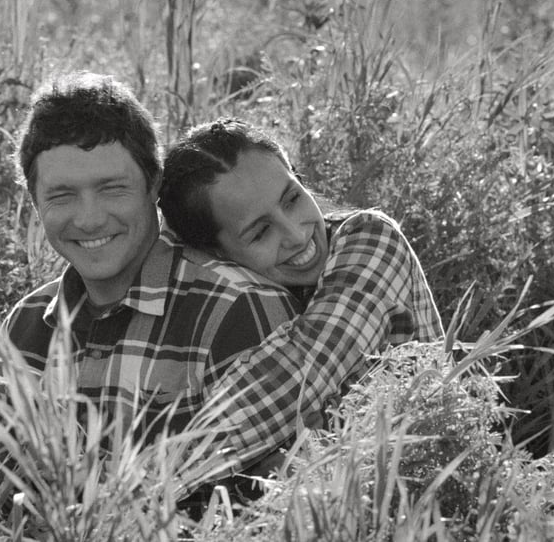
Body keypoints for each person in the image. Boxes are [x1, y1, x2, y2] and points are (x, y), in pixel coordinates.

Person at [0, 74, 300, 450]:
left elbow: (270, 492)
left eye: (112, 188)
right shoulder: (26, 325)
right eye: (62, 196)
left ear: (154, 183)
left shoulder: (236, 310)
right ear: (34, 202)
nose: (89, 219)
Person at [158, 117, 445, 479]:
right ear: (215, 254)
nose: (295, 234)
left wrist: (152, 488)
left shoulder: (371, 239)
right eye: (261, 232)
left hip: (431, 485)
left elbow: (302, 371)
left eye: (292, 198)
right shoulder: (240, 297)